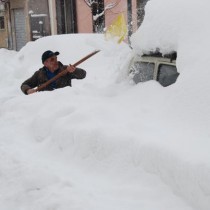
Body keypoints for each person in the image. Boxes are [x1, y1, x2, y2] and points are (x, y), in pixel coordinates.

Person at [21, 50, 86, 95]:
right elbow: (24, 85)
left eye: (55, 58)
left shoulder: (65, 69)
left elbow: (83, 74)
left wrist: (74, 70)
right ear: (45, 63)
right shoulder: (39, 74)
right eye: (52, 59)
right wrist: (28, 90)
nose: (55, 61)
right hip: (47, 107)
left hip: (65, 104)